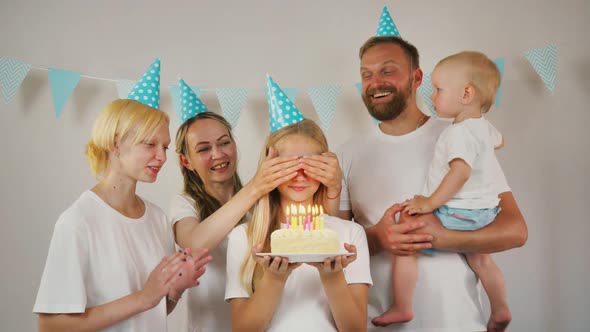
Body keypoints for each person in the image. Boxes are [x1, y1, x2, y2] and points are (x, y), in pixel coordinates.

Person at [336, 36, 527, 332]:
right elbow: (335, 250)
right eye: (366, 74)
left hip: (459, 323)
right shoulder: (347, 154)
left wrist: (442, 237)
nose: (375, 82)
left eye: (387, 71)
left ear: (417, 77)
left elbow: (515, 230)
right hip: (376, 324)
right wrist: (378, 238)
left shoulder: (460, 134)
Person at [33, 99, 211, 331]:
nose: (162, 157)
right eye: (150, 144)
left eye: (165, 147)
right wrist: (144, 297)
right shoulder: (78, 221)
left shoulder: (157, 219)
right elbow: (50, 326)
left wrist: (175, 289)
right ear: (115, 144)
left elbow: (155, 309)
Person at [375, 51, 512, 330]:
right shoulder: (484, 128)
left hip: (458, 211)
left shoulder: (456, 132)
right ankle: (500, 310)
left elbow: (459, 173)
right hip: (484, 212)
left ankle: (402, 306)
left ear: (466, 94)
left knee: (408, 233)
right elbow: (499, 142)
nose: (433, 96)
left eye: (438, 90)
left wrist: (428, 203)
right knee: (482, 261)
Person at [170, 112, 343, 331]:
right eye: (203, 149)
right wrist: (256, 186)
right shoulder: (185, 203)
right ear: (186, 160)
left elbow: (322, 230)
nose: (217, 154)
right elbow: (194, 245)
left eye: (224, 143)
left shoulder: (262, 202)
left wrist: (334, 188)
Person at [225, 119, 372, 332]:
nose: (300, 176)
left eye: (310, 166)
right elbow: (243, 329)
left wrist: (333, 277)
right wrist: (274, 279)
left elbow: (355, 329)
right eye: (289, 166)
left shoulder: (350, 234)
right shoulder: (244, 237)